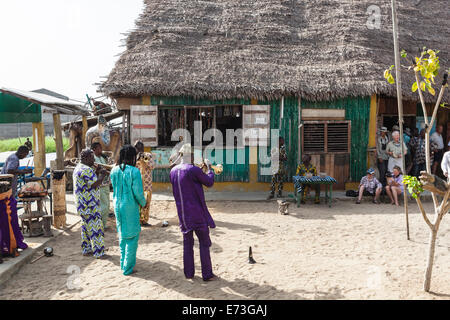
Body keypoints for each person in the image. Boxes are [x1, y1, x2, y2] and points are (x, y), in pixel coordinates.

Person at [170, 144, 218, 282]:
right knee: (204, 242)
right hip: (196, 213)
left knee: (187, 244)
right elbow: (209, 182)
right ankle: (207, 274)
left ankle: (189, 273)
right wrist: (209, 169)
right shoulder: (193, 170)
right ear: (190, 155)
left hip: (183, 214)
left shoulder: (173, 171)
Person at [110, 145, 147, 276]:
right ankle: (128, 268)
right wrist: (144, 202)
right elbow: (137, 192)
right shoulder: (134, 171)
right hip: (130, 207)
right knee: (132, 237)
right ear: (132, 157)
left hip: (117, 206)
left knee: (122, 234)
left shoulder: (114, 170)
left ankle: (123, 263)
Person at [73, 149, 108, 259]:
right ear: (86, 158)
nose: (94, 160)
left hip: (82, 205)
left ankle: (87, 249)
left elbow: (88, 183)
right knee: (96, 227)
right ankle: (99, 252)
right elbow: (94, 184)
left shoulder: (78, 168)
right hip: (90, 205)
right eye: (92, 158)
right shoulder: (87, 170)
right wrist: (102, 175)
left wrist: (96, 172)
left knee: (85, 228)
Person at [134, 141, 155, 227]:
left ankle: (144, 220)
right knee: (137, 203)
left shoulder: (148, 155)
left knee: (146, 202)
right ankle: (137, 220)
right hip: (137, 184)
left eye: (140, 148)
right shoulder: (133, 157)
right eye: (137, 148)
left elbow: (152, 166)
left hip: (147, 184)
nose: (139, 150)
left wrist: (145, 160)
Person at [91, 142, 111, 230]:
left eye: (101, 148)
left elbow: (107, 167)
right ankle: (101, 225)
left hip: (106, 184)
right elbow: (100, 170)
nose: (101, 150)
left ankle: (103, 224)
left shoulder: (102, 158)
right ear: (94, 149)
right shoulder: (93, 159)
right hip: (100, 185)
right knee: (104, 205)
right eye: (99, 148)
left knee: (107, 205)